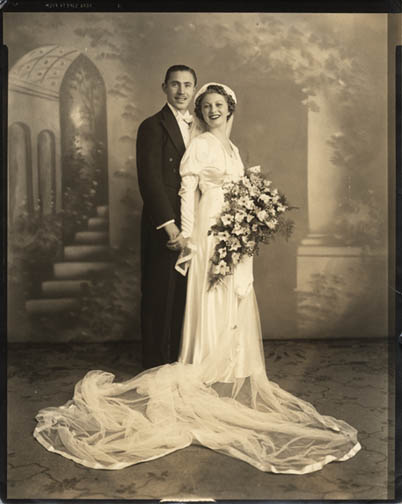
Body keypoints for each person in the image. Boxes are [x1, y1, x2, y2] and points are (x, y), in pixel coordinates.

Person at [33, 83, 361, 475]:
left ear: (230, 107)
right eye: (206, 106)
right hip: (208, 225)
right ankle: (206, 363)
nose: (211, 111)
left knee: (233, 290)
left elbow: (239, 187)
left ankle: (231, 366)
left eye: (218, 105)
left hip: (231, 225)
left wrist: (250, 217)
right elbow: (187, 189)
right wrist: (187, 235)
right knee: (211, 289)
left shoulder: (232, 147)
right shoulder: (203, 144)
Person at [136, 65, 197, 368]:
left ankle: (177, 362)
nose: (181, 91)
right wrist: (169, 225)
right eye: (175, 84)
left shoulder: (199, 128)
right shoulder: (152, 126)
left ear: (194, 89)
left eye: (187, 85)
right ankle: (155, 366)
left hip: (191, 223)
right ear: (164, 88)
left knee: (185, 296)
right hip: (165, 224)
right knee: (161, 294)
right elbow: (150, 179)